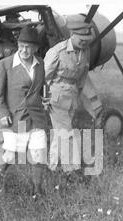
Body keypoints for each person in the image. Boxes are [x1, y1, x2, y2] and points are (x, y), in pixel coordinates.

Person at [0, 26, 48, 197]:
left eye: (29, 46)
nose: (25, 50)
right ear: (18, 45)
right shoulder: (5, 65)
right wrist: (2, 114)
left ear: (35, 48)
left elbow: (43, 87)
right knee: (10, 153)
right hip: (16, 118)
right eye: (22, 45)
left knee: (38, 152)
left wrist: (46, 100)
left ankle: (36, 189)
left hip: (37, 116)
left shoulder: (40, 64)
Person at [43, 15, 94, 177]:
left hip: (71, 98)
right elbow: (43, 78)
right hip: (55, 97)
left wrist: (78, 96)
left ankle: (51, 167)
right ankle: (72, 171)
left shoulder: (85, 52)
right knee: (67, 133)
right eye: (81, 39)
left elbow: (82, 76)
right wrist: (44, 99)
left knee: (60, 133)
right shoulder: (57, 52)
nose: (85, 42)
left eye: (87, 39)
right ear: (73, 35)